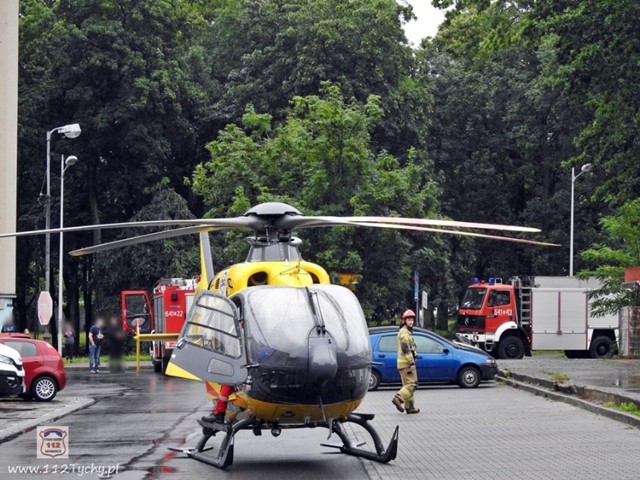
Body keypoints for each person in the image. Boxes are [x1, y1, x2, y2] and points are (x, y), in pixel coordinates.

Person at [391, 309, 420, 414]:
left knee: (408, 385)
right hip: (406, 364)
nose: (411, 321)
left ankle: (410, 407)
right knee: (412, 384)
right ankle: (399, 398)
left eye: (412, 319)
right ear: (404, 320)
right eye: (408, 319)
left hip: (403, 364)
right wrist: (411, 362)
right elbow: (405, 348)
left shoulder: (406, 332)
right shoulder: (404, 333)